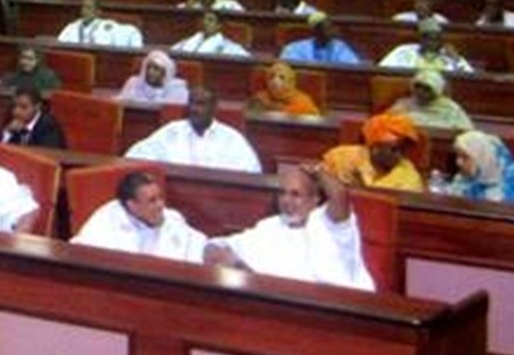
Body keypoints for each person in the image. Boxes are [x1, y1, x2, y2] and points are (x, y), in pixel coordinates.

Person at [203, 166, 374, 291]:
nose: (286, 200)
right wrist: (221, 254)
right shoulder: (270, 226)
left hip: (333, 306)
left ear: (314, 199)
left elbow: (339, 194)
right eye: (282, 193)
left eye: (295, 194)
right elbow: (218, 246)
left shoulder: (328, 224)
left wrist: (317, 170)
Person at [71, 171, 207, 262]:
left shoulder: (171, 218)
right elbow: (80, 251)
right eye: (152, 201)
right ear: (132, 205)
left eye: (160, 197)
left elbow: (196, 243)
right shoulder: (107, 221)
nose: (161, 205)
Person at [126, 88, 262, 172]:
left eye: (201, 104)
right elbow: (135, 156)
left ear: (214, 108)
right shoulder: (172, 132)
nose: (194, 109)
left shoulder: (231, 139)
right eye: (191, 103)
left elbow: (252, 171)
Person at [320, 113, 426, 191]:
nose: (399, 155)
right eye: (394, 149)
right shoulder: (341, 156)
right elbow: (319, 182)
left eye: (403, 150)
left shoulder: (409, 176)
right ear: (375, 148)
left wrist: (360, 189)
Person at [446, 131, 514, 206]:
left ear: (483, 157)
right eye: (457, 156)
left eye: (465, 157)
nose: (458, 162)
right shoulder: (464, 177)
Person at [388, 69, 475, 131]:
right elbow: (387, 124)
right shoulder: (403, 104)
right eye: (417, 86)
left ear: (436, 90)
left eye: (426, 88)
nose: (420, 91)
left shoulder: (451, 108)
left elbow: (466, 131)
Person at [378, 18, 472, 72]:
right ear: (421, 39)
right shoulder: (403, 51)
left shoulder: (450, 56)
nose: (433, 43)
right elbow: (382, 70)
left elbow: (469, 77)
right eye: (429, 39)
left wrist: (457, 59)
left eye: (437, 39)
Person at [57, 0, 144, 48]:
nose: (84, 11)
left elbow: (133, 32)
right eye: (83, 7)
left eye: (89, 8)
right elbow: (59, 44)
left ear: (98, 12)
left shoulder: (107, 26)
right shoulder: (72, 27)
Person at [278, 13, 362, 65]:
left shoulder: (339, 47)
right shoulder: (295, 48)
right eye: (326, 28)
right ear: (315, 31)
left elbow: (353, 65)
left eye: (330, 27)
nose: (331, 31)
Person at [247, 62, 320, 117]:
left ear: (291, 82)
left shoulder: (303, 102)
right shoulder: (260, 100)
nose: (275, 81)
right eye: (271, 77)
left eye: (282, 77)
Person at [116, 50, 190, 104]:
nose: (150, 72)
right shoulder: (134, 83)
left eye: (156, 69)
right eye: (148, 67)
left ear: (165, 73)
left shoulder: (177, 89)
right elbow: (120, 101)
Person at [1, 88, 67, 148]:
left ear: (37, 106)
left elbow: (47, 154)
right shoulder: (11, 120)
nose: (16, 111)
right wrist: (8, 133)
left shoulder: (48, 127)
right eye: (14, 106)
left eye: (23, 107)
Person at [172, 11, 250, 57]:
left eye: (210, 20)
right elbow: (173, 51)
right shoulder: (191, 40)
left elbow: (246, 57)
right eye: (204, 20)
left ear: (219, 25)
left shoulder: (227, 46)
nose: (205, 23)